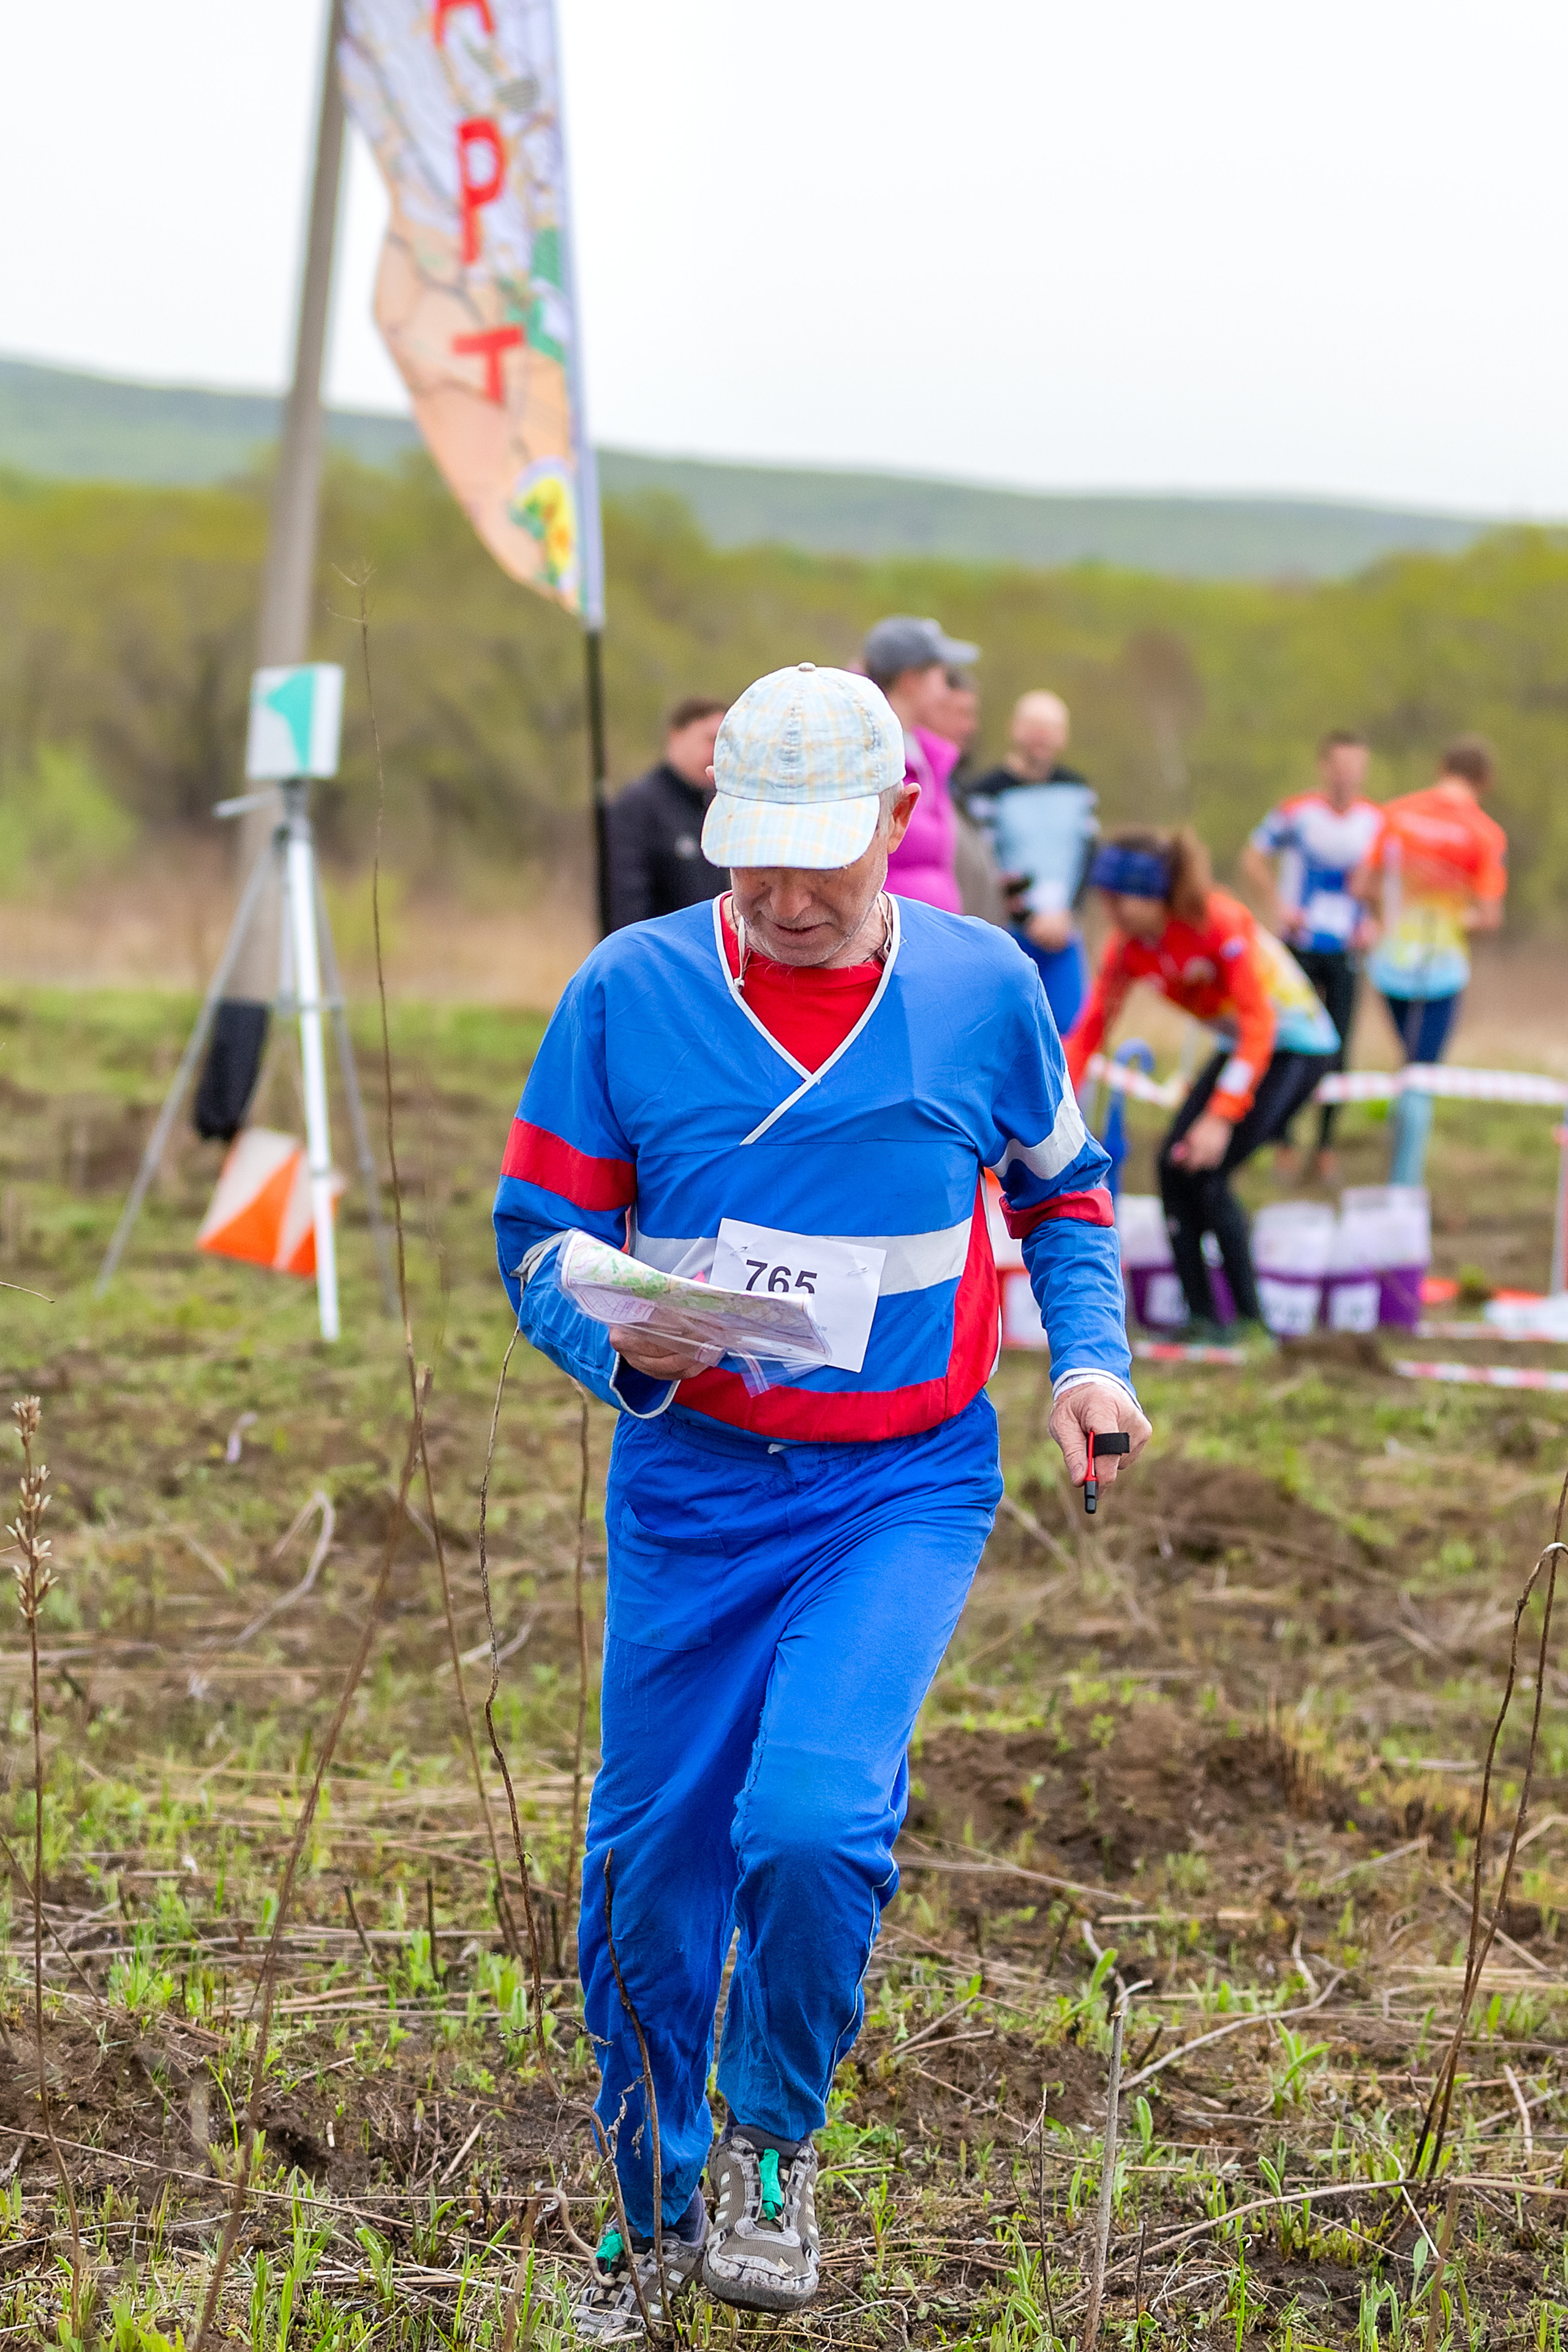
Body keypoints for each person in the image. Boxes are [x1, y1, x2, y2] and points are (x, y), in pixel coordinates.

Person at [493, 662, 1148, 2337]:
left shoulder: (985, 989)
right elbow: (531, 1239)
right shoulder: (629, 992)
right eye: (750, 858)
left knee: (810, 1823)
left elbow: (1066, 1195)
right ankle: (653, 2215)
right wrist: (625, 1328)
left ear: (902, 821)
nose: (783, 894)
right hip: (697, 1486)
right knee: (647, 1870)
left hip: (901, 1492)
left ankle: (775, 2149)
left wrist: (1089, 1362)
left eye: (821, 856)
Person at [1065, 827, 1340, 1341]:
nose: (1111, 911)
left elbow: (1261, 1024)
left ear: (1154, 894)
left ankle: (1253, 1323)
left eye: (1119, 898)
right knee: (1173, 1167)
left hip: (1297, 1046)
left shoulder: (1217, 921)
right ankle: (1203, 1317)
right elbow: (1090, 1031)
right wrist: (1049, 1102)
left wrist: (1220, 1116)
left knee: (1208, 1172)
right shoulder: (1130, 948)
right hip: (1246, 1046)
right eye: (1105, 898)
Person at [1352, 735, 1507, 1188]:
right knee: (1421, 1073)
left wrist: (1397, 907)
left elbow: (1362, 884)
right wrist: (1456, 914)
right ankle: (1404, 1186)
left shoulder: (1395, 814)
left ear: (1442, 766)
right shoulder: (1484, 833)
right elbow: (1490, 916)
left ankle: (1395, 1155)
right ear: (1485, 780)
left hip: (1390, 963)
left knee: (1408, 1066)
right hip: (1441, 969)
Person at [1240, 729, 1382, 1183]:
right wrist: (1278, 907)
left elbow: (1386, 880)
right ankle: (1281, 1141)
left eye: (1355, 767)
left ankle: (1324, 1148)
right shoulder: (1296, 813)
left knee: (1338, 1047)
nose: (1346, 776)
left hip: (1345, 949)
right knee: (1288, 1040)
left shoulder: (1375, 822)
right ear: (1325, 767)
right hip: (1298, 944)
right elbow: (1253, 857)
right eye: (1339, 766)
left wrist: (1375, 918)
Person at [963, 691, 1098, 1036]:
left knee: (1069, 1034)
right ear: (1016, 730)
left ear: (1064, 735)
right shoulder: (985, 792)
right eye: (1035, 727)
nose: (1042, 737)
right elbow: (985, 864)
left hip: (1064, 934)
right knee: (1007, 1032)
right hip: (1008, 933)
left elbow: (1088, 856)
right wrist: (1028, 918)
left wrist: (1069, 914)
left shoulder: (1078, 789)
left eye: (1051, 728)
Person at [862, 614, 978, 913]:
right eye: (941, 675)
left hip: (927, 936)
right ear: (910, 681)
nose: (946, 690)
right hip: (893, 940)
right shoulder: (868, 754)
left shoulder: (928, 756)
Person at [605, 696, 730, 929]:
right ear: (676, 736)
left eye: (725, 743)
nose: (717, 752)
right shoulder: (638, 806)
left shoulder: (722, 803)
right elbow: (627, 902)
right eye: (711, 740)